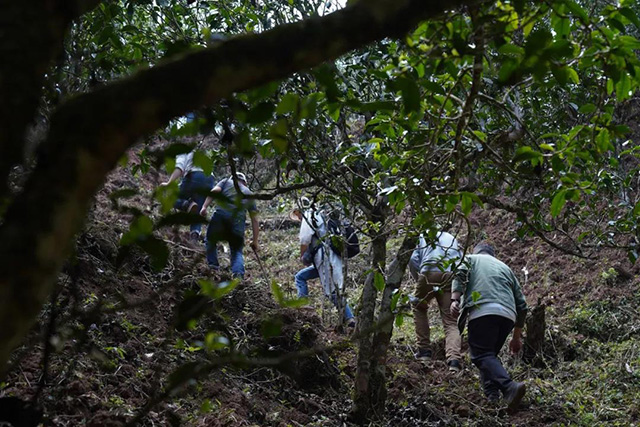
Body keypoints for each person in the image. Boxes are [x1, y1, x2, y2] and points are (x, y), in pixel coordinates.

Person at [450, 242, 528, 409]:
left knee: (481, 354)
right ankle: (492, 396)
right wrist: (516, 337)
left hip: (483, 309)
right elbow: (522, 305)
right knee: (488, 355)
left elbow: (460, 273)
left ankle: (509, 387)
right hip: (508, 314)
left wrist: (455, 299)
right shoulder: (505, 268)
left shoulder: (470, 259)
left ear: (476, 251)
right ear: (493, 255)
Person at [291, 202, 355, 328]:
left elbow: (304, 239)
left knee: (332, 292)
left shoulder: (310, 215)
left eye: (297, 215)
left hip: (324, 258)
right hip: (328, 258)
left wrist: (302, 255)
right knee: (300, 277)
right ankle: (302, 305)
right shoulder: (322, 215)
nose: (298, 218)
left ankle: (349, 318)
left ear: (299, 211)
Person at [409, 231, 463, 372]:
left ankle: (424, 352)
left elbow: (414, 259)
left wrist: (420, 279)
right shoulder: (452, 237)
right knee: (450, 320)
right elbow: (460, 259)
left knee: (419, 307)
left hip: (428, 270)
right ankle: (454, 361)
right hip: (450, 274)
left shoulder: (423, 235)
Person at [199, 172, 259, 279]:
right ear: (244, 183)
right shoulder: (249, 193)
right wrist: (255, 241)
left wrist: (204, 207)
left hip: (221, 216)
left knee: (210, 240)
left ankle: (213, 267)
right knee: (236, 251)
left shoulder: (226, 181)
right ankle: (238, 276)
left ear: (233, 179)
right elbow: (254, 219)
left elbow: (214, 191)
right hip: (237, 222)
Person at [160, 150, 214, 241]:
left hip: (195, 176)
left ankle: (186, 205)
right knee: (198, 211)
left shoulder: (183, 152)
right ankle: (195, 234)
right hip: (210, 180)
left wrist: (168, 183)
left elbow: (179, 168)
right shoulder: (200, 154)